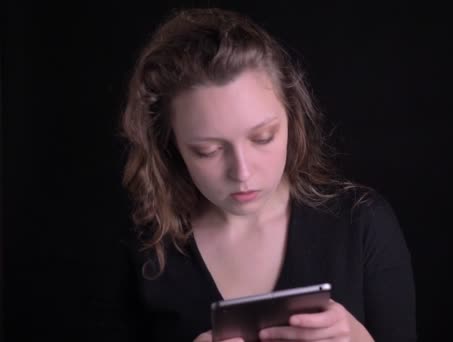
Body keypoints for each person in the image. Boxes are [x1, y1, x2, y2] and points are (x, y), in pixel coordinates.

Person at [98, 7, 416, 342]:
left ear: (292, 116)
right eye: (208, 150)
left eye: (263, 137)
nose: (243, 172)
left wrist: (360, 338)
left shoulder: (361, 223)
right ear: (170, 144)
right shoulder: (142, 250)